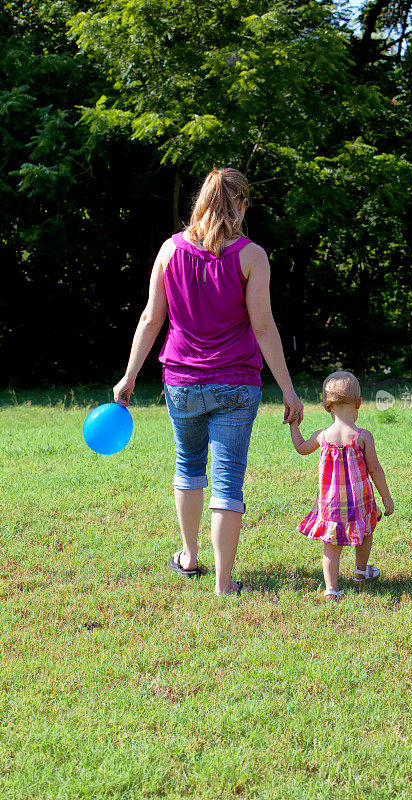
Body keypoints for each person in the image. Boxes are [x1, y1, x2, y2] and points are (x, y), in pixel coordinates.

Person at [113, 167, 303, 595]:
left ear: (202, 200)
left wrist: (129, 376)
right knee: (229, 478)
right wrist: (288, 391)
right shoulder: (251, 256)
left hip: (180, 382)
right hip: (237, 383)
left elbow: (150, 318)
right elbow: (265, 327)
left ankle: (189, 557)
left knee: (188, 465)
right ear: (240, 204)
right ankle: (223, 583)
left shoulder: (168, 251)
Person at [289, 371, 393, 601]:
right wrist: (386, 498)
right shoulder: (363, 436)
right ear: (359, 403)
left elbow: (300, 447)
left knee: (331, 547)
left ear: (327, 406)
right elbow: (375, 469)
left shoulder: (322, 436)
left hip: (331, 505)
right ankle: (360, 571)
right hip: (360, 500)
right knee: (365, 533)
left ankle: (331, 589)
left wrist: (294, 425)